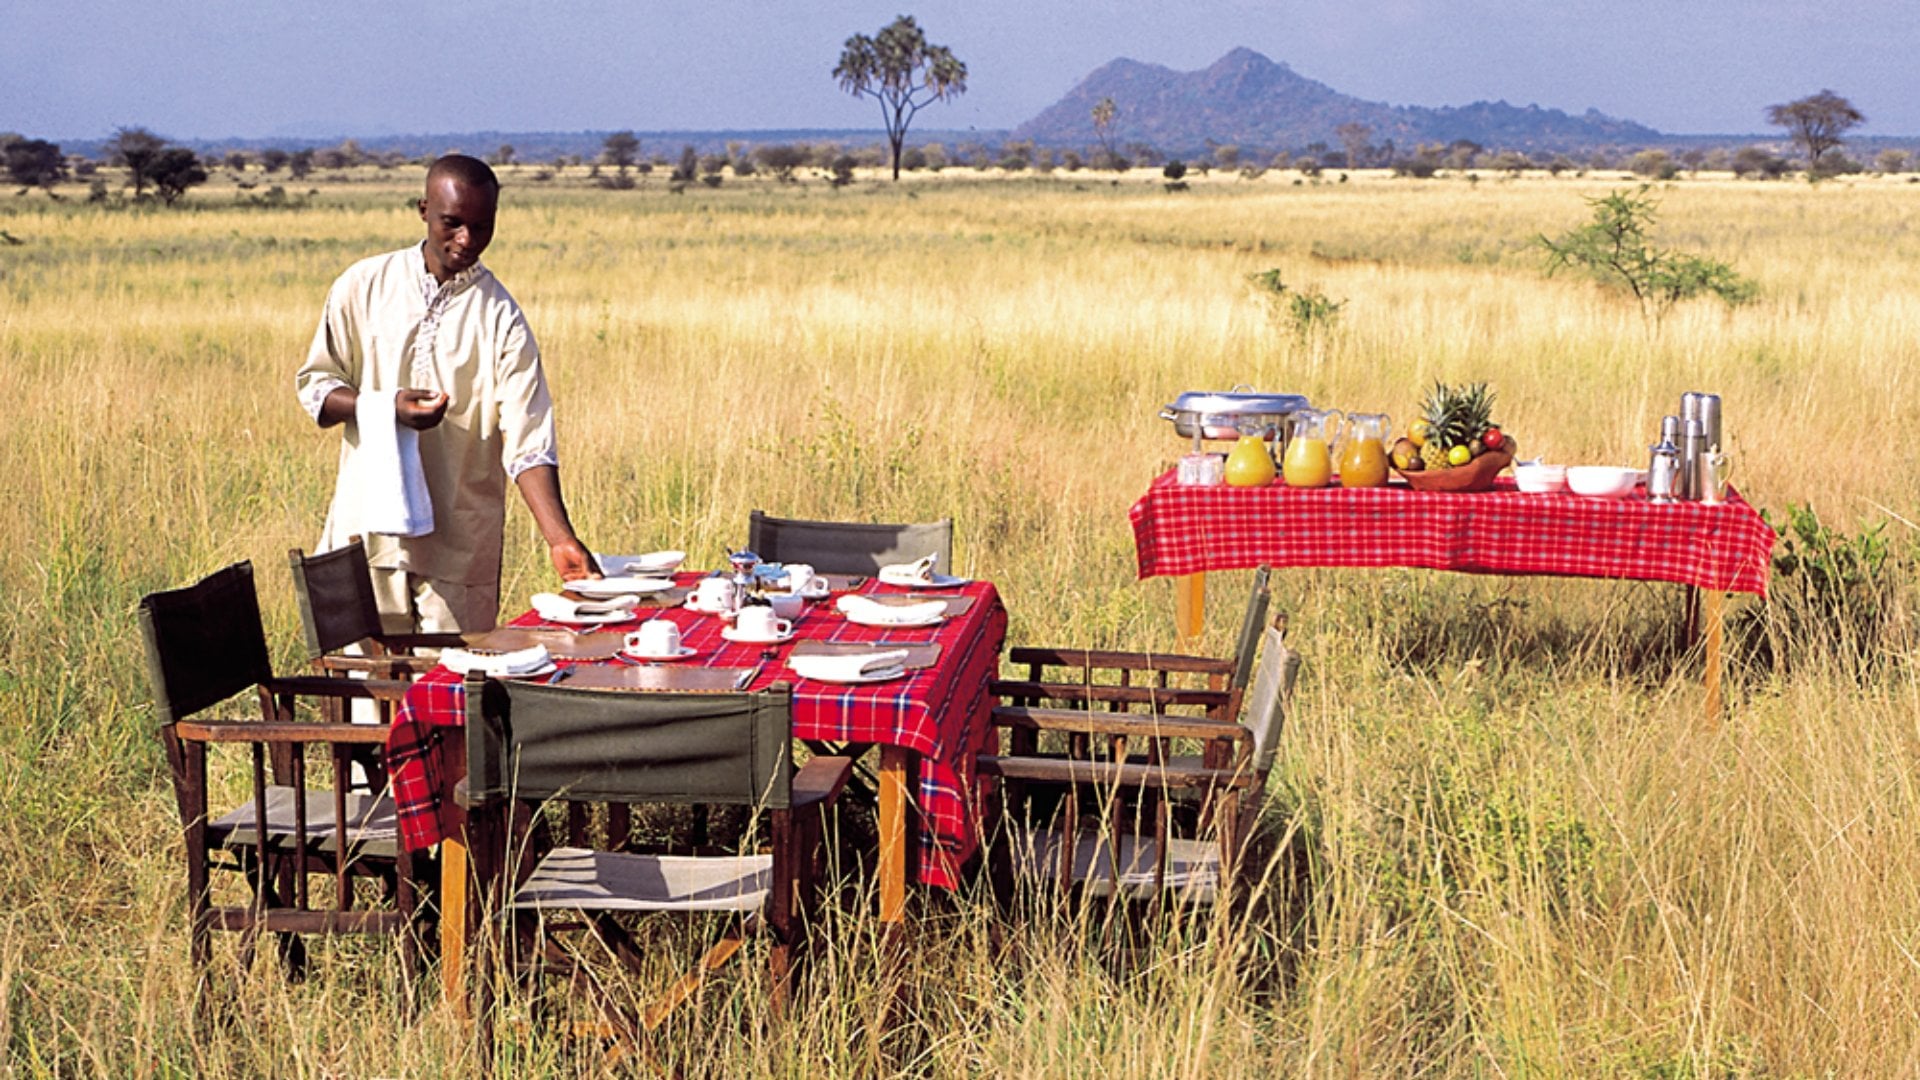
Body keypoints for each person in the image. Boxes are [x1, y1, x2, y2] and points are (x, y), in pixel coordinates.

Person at [295, 154, 596, 633]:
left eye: (482, 227)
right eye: (452, 224)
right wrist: (383, 407)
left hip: (459, 543)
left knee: (450, 690)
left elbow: (528, 440)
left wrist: (560, 539)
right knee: (363, 691)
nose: (466, 241)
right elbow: (317, 390)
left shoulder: (500, 316)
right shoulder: (364, 286)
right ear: (423, 211)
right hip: (366, 531)